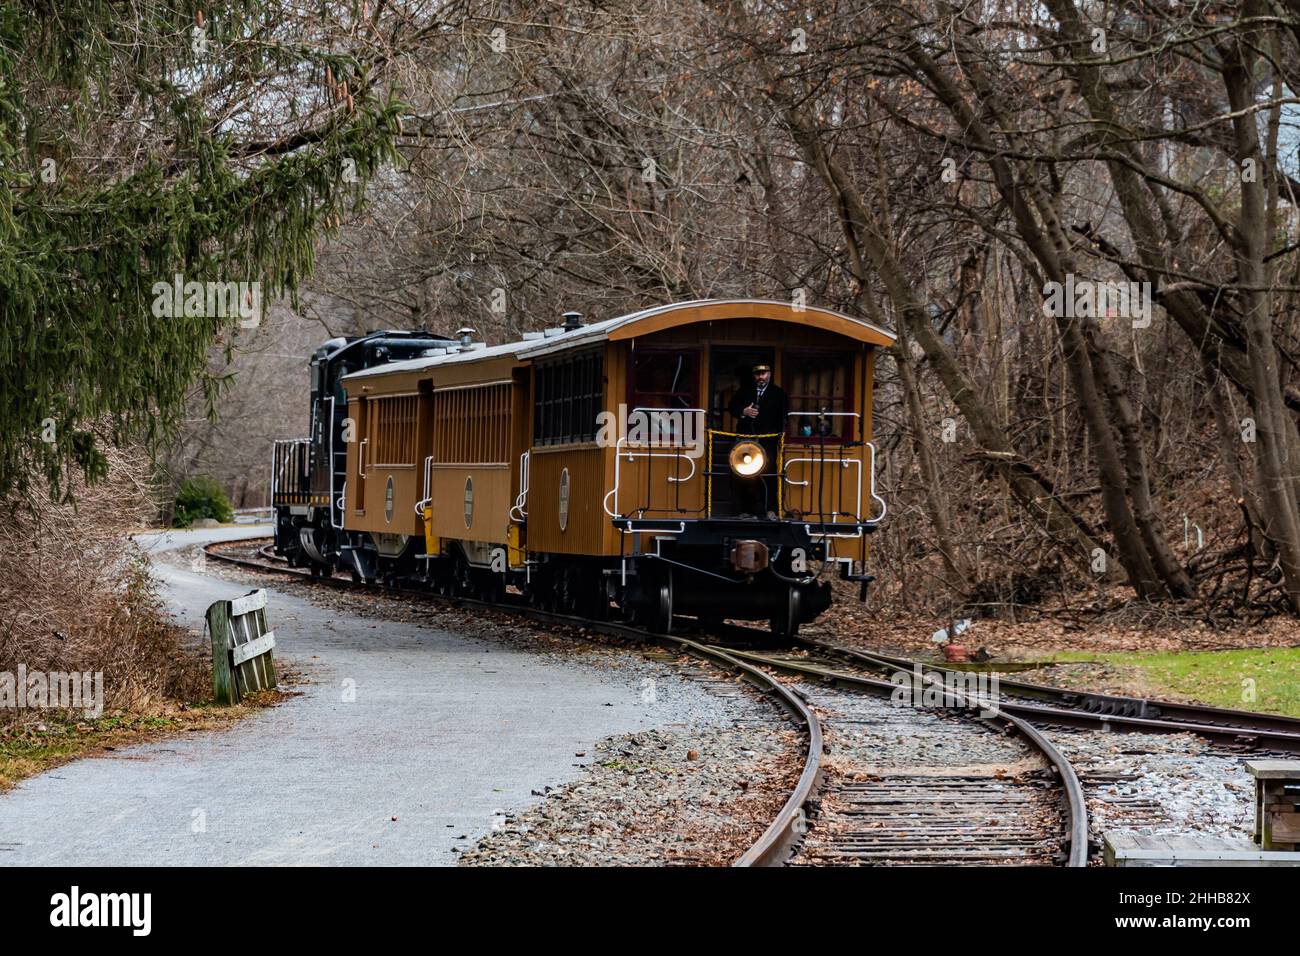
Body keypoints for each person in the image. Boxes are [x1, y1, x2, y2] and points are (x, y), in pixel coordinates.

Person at [727, 364, 788, 518]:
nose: (761, 377)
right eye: (758, 374)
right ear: (754, 375)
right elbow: (732, 406)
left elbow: (784, 416)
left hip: (768, 441)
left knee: (769, 475)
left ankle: (770, 509)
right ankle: (746, 511)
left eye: (764, 373)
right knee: (744, 474)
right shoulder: (744, 390)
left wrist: (778, 436)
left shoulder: (778, 393)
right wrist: (743, 411)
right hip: (745, 440)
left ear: (770, 374)